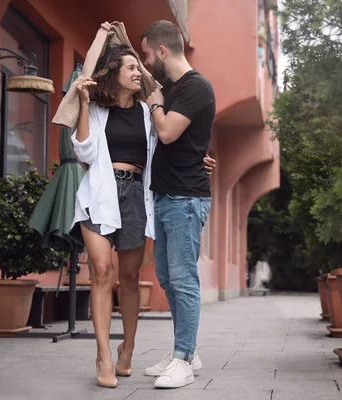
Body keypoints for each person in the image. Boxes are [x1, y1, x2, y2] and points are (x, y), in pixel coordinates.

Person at [70, 40, 215, 389]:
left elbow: (169, 145)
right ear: (114, 74)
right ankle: (103, 355)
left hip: (136, 196)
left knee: (131, 278)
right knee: (102, 272)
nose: (140, 73)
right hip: (99, 195)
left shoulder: (147, 113)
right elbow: (84, 152)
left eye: (140, 65)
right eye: (132, 68)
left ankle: (128, 350)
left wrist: (200, 158)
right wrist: (85, 102)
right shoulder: (96, 110)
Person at [139, 20, 215, 389]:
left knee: (183, 279)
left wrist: (156, 105)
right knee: (168, 279)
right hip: (168, 196)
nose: (145, 60)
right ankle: (188, 350)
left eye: (147, 53)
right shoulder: (171, 87)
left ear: (163, 51)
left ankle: (183, 359)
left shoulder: (195, 86)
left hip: (186, 198)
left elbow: (167, 132)